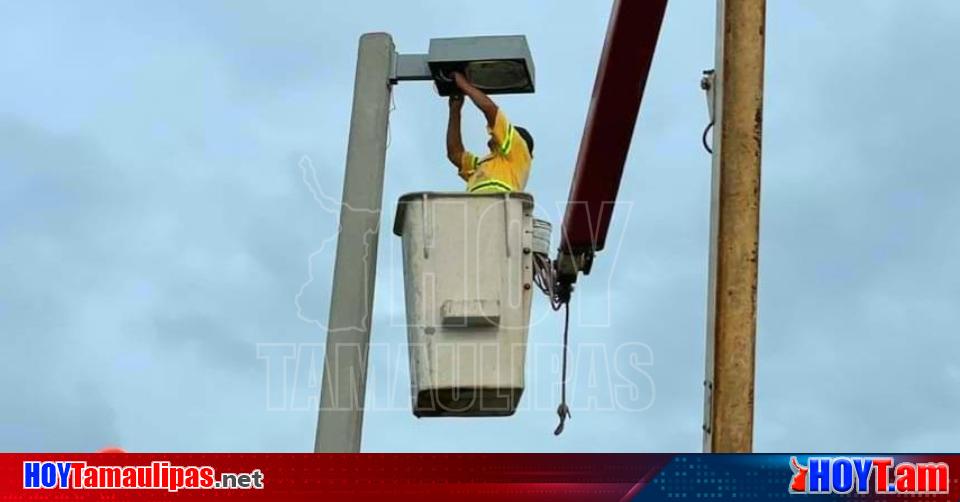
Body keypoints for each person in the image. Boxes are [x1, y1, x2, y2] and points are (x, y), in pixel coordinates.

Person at [446, 71, 534, 194]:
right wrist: (455, 110)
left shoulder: (518, 150)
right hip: (477, 210)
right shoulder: (483, 164)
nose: (495, 132)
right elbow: (455, 154)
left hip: (498, 208)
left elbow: (490, 110)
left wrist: (464, 85)